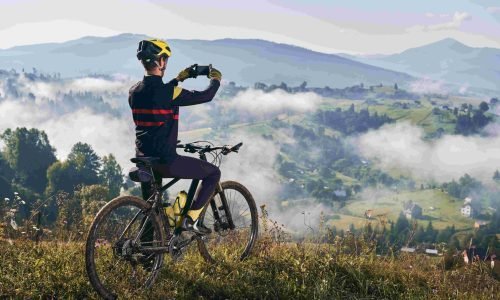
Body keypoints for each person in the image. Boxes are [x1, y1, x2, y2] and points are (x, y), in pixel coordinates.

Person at [129, 39, 222, 235]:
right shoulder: (168, 92)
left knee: (150, 215)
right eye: (166, 60)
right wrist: (216, 79)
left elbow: (157, 95)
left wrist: (180, 79)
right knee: (213, 173)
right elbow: (206, 96)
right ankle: (191, 220)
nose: (166, 64)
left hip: (144, 161)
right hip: (165, 161)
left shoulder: (134, 91)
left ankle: (147, 260)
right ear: (160, 62)